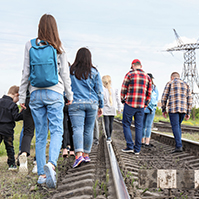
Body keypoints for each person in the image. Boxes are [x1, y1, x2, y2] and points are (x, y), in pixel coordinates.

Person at [18, 14, 73, 188]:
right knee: (57, 130)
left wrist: (21, 96)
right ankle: (52, 164)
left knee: (41, 134)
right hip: (55, 92)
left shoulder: (30, 45)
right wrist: (69, 95)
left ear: (39, 27)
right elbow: (65, 74)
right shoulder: (59, 46)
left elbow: (25, 72)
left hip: (35, 94)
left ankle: (42, 174)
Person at [68, 47, 104, 168]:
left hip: (75, 103)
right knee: (88, 129)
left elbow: (66, 87)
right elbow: (99, 90)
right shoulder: (94, 72)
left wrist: (67, 98)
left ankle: (78, 155)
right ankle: (86, 154)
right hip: (91, 103)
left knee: (77, 128)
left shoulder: (71, 71)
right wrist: (101, 105)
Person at [121, 59, 152, 154]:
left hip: (130, 104)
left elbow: (123, 88)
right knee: (139, 126)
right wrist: (145, 104)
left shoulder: (129, 74)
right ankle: (137, 149)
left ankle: (130, 146)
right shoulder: (147, 77)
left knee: (126, 124)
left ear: (133, 65)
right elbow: (149, 93)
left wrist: (123, 100)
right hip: (141, 106)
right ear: (141, 66)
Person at [161, 72, 192, 153]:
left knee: (175, 126)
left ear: (172, 77)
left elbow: (164, 97)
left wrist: (163, 109)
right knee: (178, 126)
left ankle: (179, 146)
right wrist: (188, 112)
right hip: (183, 109)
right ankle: (179, 144)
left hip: (173, 108)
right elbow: (189, 99)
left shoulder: (170, 83)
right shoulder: (186, 84)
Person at [0, 86, 23, 170]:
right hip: (7, 130)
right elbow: (16, 117)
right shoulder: (13, 105)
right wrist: (23, 113)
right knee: (9, 147)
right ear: (16, 95)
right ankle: (12, 164)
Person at [18, 91, 36, 174]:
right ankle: (37, 162)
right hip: (42, 99)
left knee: (27, 131)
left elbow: (23, 85)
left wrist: (22, 101)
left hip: (27, 100)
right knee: (41, 132)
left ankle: (23, 153)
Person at [102, 75, 121, 142]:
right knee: (111, 123)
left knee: (106, 123)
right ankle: (110, 136)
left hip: (105, 109)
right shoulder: (115, 90)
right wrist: (119, 108)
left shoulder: (103, 91)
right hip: (113, 108)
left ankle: (108, 137)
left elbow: (101, 100)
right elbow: (118, 99)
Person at [142, 73, 159, 148]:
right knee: (148, 126)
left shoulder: (143, 86)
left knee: (142, 125)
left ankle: (142, 141)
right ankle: (147, 143)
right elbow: (157, 98)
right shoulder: (154, 87)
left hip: (143, 107)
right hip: (152, 109)